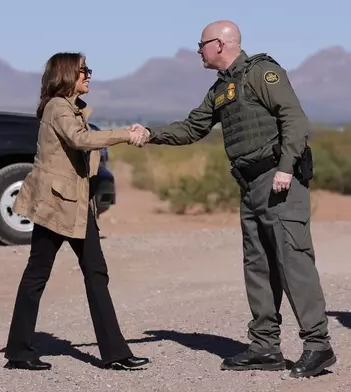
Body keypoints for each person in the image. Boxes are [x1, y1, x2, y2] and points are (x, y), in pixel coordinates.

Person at [127, 20, 336, 378]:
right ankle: (264, 347)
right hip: (251, 186)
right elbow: (193, 127)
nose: (198, 50)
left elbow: (295, 119)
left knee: (292, 263)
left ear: (220, 45)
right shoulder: (222, 89)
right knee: (258, 267)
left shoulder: (262, 73)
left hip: (279, 180)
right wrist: (151, 134)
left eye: (201, 44)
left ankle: (318, 346)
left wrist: (286, 167)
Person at [3, 52, 150, 371]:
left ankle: (116, 353)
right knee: (38, 273)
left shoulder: (71, 108)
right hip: (58, 204)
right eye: (84, 71)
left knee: (95, 273)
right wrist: (127, 134)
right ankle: (18, 350)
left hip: (77, 204)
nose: (89, 76)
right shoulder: (58, 107)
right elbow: (80, 140)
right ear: (68, 74)